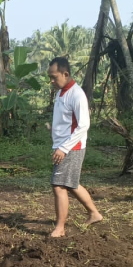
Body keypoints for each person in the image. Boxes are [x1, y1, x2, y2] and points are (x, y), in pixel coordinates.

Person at [47, 57, 103, 238]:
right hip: (63, 145)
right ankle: (94, 213)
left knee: (58, 185)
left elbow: (84, 125)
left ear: (66, 74)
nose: (51, 81)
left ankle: (60, 228)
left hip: (72, 147)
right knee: (70, 184)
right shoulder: (61, 93)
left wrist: (64, 148)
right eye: (50, 77)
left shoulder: (76, 94)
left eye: (54, 77)